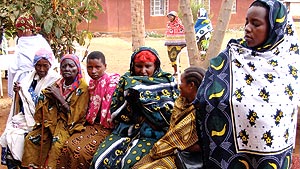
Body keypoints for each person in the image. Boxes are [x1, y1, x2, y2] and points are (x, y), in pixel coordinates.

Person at [193, 0, 300, 168]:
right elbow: (207, 94)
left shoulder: (287, 63)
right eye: (246, 22)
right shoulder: (233, 54)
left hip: (273, 150)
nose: (247, 28)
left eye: (256, 24)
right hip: (229, 153)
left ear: (274, 28)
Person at [90, 46, 179, 169]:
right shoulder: (126, 81)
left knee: (128, 163)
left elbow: (171, 114)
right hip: (125, 131)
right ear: (133, 65)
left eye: (148, 66)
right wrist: (131, 101)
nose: (143, 71)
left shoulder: (167, 82)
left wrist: (145, 105)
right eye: (139, 66)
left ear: (156, 66)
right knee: (99, 161)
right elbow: (115, 110)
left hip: (154, 134)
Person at [21, 54, 89, 169]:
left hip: (68, 124)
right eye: (64, 66)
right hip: (52, 120)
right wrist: (46, 96)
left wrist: (59, 97)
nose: (67, 69)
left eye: (71, 66)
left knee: (57, 146)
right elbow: (46, 99)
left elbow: (75, 116)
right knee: (31, 139)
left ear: (77, 68)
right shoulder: (59, 82)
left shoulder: (83, 88)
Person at [132, 66, 206, 169]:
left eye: (181, 82)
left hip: (187, 157)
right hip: (172, 149)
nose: (179, 85)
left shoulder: (198, 112)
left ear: (191, 86)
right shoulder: (182, 102)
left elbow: (174, 142)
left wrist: (163, 149)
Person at [56, 51, 120, 168]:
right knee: (68, 145)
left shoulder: (113, 84)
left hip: (108, 128)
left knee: (83, 152)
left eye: (97, 67)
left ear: (105, 66)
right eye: (90, 67)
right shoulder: (91, 84)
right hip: (91, 125)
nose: (93, 71)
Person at [0, 48, 59, 168]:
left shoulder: (55, 80)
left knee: (24, 139)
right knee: (10, 134)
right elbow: (24, 102)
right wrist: (19, 92)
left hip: (45, 120)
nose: (41, 69)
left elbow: (51, 106)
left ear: (50, 65)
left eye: (45, 66)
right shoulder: (29, 78)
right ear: (34, 65)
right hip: (27, 117)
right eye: (38, 66)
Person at [7, 12, 55, 98]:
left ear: (23, 30)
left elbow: (13, 68)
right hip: (35, 79)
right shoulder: (40, 41)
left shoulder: (24, 42)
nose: (18, 33)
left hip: (32, 80)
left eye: (18, 30)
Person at [164, 11, 186, 76]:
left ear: (175, 17)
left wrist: (182, 42)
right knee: (171, 57)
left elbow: (183, 32)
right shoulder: (168, 24)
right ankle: (175, 70)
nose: (170, 18)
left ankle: (177, 71)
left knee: (176, 57)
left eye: (171, 16)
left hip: (178, 44)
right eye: (169, 16)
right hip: (169, 43)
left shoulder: (179, 24)